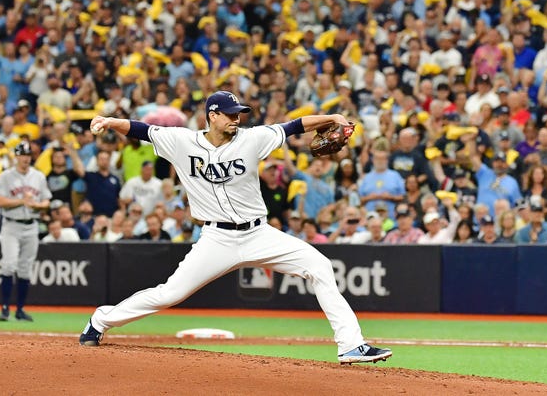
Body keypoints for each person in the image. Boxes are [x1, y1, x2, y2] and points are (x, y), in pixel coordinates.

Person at [79, 91, 392, 364]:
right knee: (169, 294)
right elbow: (141, 130)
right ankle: (100, 319)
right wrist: (108, 121)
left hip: (259, 233)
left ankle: (351, 345)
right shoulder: (181, 141)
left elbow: (294, 126)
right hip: (216, 238)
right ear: (212, 116)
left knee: (320, 266)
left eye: (239, 114)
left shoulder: (252, 138)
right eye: (230, 114)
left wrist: (333, 116)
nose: (237, 119)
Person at [0, 141, 52, 322]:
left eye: (28, 155)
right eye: (22, 154)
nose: (26, 158)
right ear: (16, 156)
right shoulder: (5, 176)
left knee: (25, 269)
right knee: (9, 265)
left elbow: (46, 202)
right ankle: (4, 309)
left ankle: (19, 310)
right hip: (11, 225)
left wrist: (36, 205)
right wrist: (21, 201)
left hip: (31, 225)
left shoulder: (39, 177)